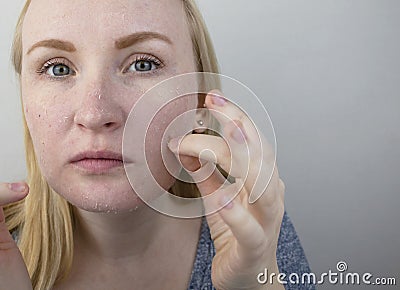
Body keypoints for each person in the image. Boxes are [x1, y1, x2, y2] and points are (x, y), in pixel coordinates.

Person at [0, 0, 314, 289]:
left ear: (199, 102)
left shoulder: (251, 231)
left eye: (143, 64)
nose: (95, 114)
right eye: (58, 68)